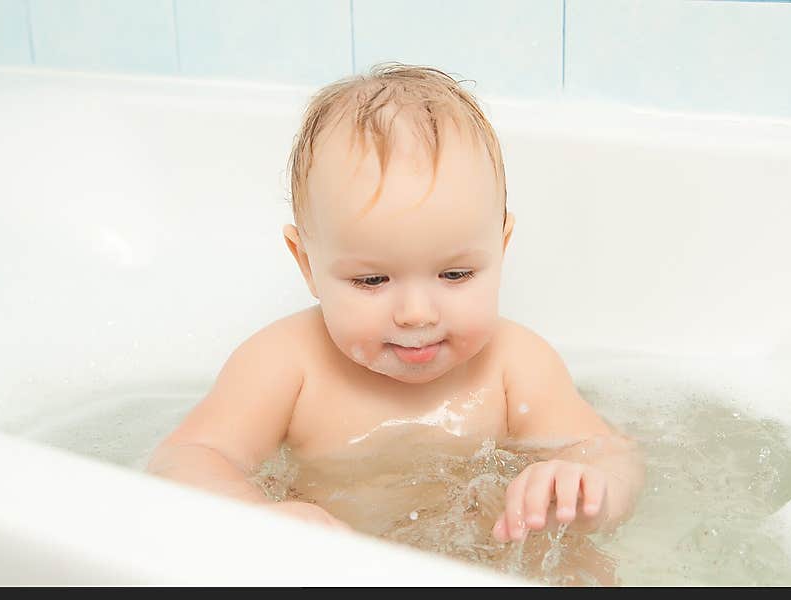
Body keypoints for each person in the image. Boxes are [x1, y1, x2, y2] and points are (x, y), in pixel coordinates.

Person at [146, 64, 645, 547]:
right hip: (344, 571)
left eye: (455, 274)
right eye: (372, 279)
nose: (416, 314)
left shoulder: (516, 365)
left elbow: (611, 455)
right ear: (306, 264)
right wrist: (257, 514)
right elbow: (187, 458)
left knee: (577, 563)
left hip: (488, 559)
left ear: (502, 245)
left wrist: (585, 487)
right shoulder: (285, 365)